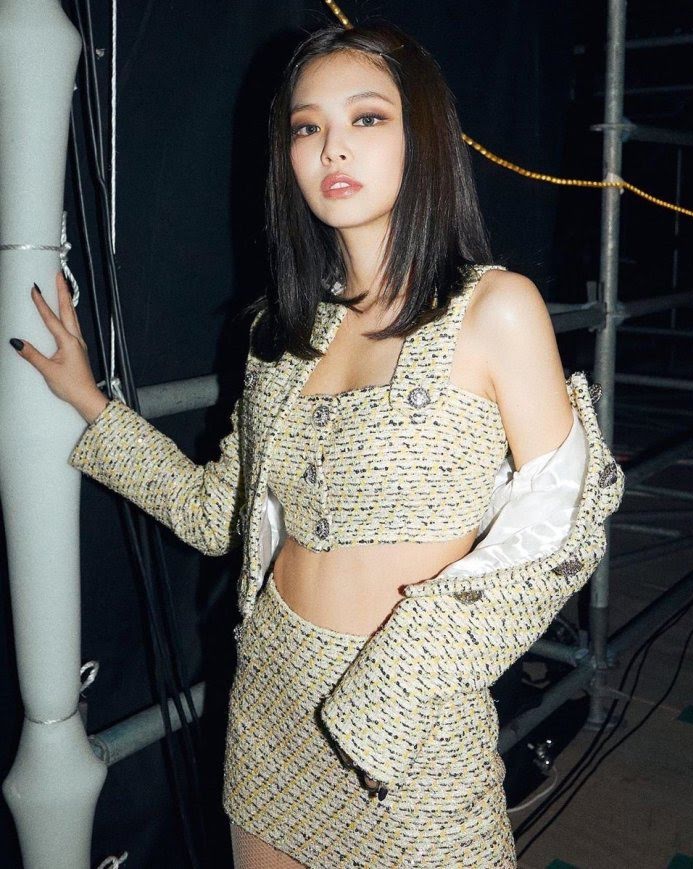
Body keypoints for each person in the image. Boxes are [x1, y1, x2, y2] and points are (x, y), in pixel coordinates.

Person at [10, 20, 625, 869]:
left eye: (367, 117)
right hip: (272, 705)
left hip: (411, 730)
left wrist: (405, 673)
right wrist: (90, 402)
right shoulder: (283, 333)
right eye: (307, 126)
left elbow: (571, 522)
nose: (333, 146)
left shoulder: (494, 309)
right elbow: (215, 513)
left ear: (422, 134)